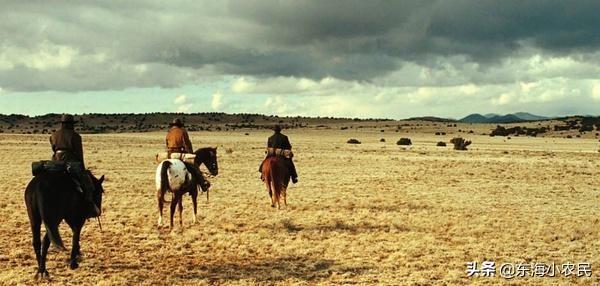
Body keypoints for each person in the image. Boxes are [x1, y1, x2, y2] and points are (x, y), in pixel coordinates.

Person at [50, 114, 100, 217]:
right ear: (70, 124)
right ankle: (89, 207)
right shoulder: (75, 136)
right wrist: (82, 168)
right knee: (89, 185)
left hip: (55, 162)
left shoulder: (53, 135)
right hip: (70, 162)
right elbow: (79, 153)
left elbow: (54, 149)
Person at [164, 118, 206, 192]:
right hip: (179, 154)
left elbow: (166, 145)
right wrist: (190, 153)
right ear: (180, 125)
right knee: (195, 167)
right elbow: (187, 144)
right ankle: (203, 184)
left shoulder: (169, 133)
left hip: (170, 155)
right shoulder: (182, 132)